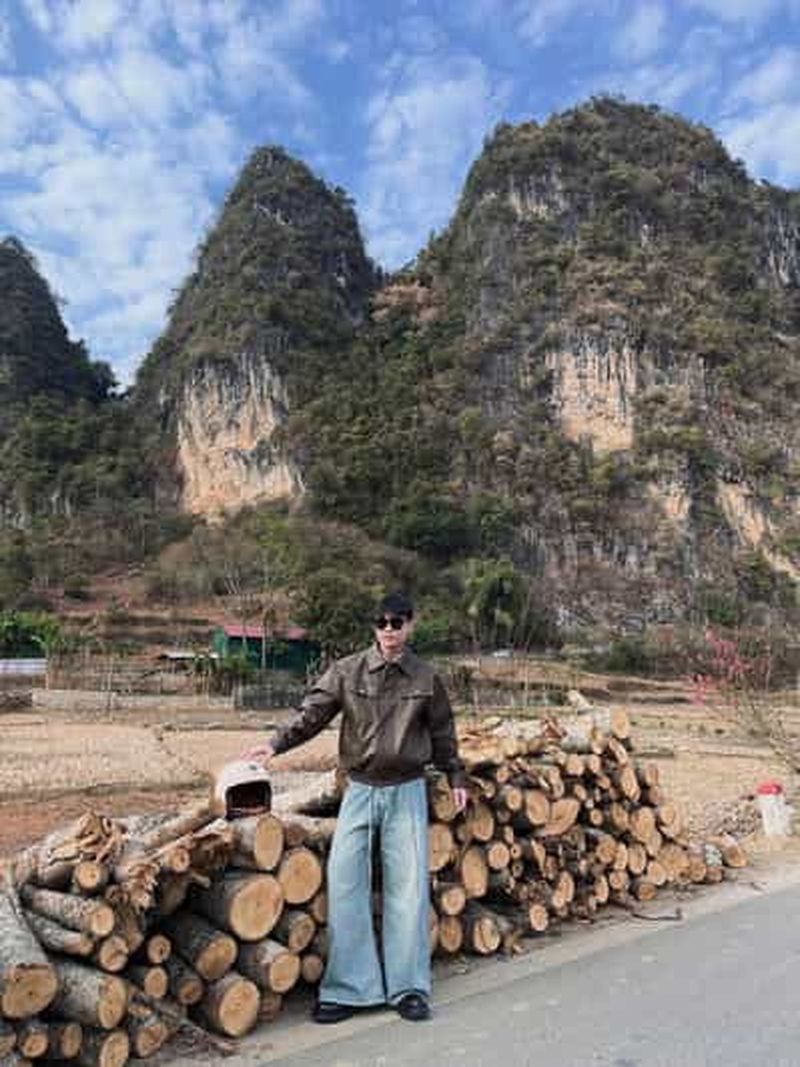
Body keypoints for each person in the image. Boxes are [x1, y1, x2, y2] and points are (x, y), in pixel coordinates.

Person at [246, 591, 467, 1023]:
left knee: (408, 890)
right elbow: (311, 715)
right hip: (360, 789)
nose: (390, 630)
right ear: (374, 627)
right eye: (382, 622)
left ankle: (409, 988)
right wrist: (274, 744)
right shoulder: (346, 672)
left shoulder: (426, 677)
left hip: (406, 789)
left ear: (411, 624)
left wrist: (456, 775)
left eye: (398, 621)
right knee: (345, 883)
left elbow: (443, 732)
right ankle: (350, 989)